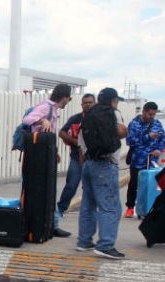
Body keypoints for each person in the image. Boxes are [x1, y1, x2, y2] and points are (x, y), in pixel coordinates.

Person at [76, 87, 129, 259]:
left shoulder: (89, 114)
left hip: (89, 163)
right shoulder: (113, 113)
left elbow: (81, 141)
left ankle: (84, 242)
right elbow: (122, 131)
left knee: (88, 204)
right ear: (113, 100)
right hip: (105, 164)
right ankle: (105, 245)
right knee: (110, 206)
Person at [22, 83, 74, 238]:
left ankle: (51, 224)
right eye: (68, 99)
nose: (68, 102)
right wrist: (41, 121)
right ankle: (52, 224)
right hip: (38, 156)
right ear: (64, 97)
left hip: (46, 154)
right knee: (45, 189)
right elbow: (26, 120)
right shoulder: (46, 107)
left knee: (48, 190)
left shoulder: (53, 109)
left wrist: (55, 152)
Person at [56, 93, 96, 225]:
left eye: (91, 102)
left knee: (90, 188)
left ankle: (89, 214)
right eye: (86, 102)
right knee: (71, 185)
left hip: (94, 160)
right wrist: (76, 142)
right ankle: (59, 211)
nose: (88, 104)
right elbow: (62, 132)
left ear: (95, 103)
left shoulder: (99, 119)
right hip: (76, 158)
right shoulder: (75, 118)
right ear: (82, 104)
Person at [124, 101, 165, 218]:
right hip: (137, 160)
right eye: (149, 114)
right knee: (134, 184)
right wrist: (148, 136)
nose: (151, 117)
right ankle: (130, 207)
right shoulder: (134, 124)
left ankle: (149, 207)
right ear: (143, 112)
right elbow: (130, 141)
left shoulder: (157, 124)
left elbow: (163, 139)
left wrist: (159, 149)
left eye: (153, 114)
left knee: (151, 185)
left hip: (152, 161)